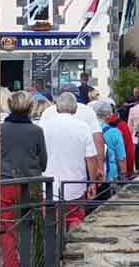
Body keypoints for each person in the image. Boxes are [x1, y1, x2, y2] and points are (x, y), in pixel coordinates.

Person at [0, 91, 48, 267]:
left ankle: (11, 263)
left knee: (7, 228)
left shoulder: (1, 130)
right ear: (30, 107)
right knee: (35, 225)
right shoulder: (36, 131)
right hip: (31, 183)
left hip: (6, 182)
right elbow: (43, 162)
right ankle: (36, 260)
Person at [39, 92, 98, 230]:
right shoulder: (83, 127)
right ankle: (73, 248)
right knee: (75, 218)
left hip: (48, 185)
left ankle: (52, 250)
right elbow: (91, 158)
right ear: (75, 108)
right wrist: (92, 183)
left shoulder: (44, 126)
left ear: (57, 108)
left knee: (50, 222)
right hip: (75, 184)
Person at [40, 88, 105, 182]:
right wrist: (99, 170)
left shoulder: (47, 114)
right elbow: (97, 141)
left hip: (49, 179)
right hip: (76, 179)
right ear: (75, 107)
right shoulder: (86, 114)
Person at [94, 102, 127, 197]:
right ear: (109, 115)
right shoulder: (115, 132)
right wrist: (123, 176)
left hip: (93, 174)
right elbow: (121, 157)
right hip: (109, 175)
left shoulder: (89, 130)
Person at [107, 107, 136, 177]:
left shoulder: (95, 128)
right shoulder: (122, 126)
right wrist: (129, 171)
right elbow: (129, 150)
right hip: (119, 171)